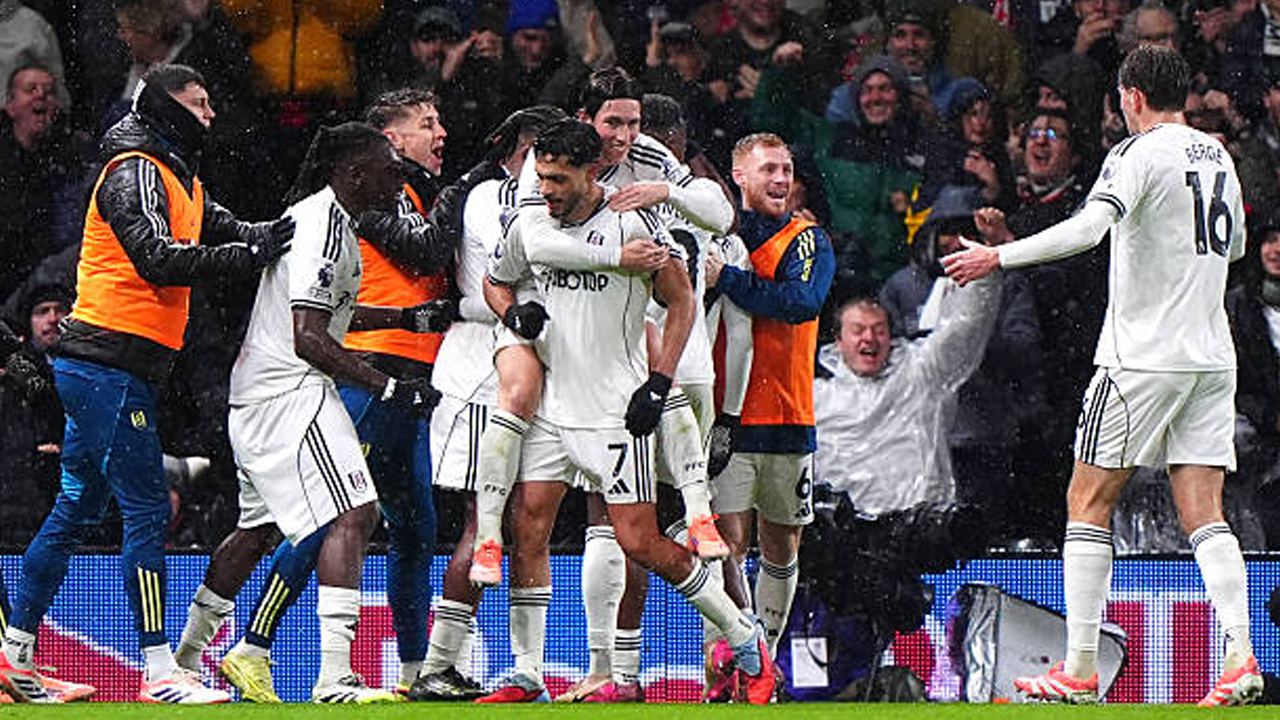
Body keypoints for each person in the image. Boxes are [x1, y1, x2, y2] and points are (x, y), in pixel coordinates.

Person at [943, 46, 1261, 706]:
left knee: (1087, 501)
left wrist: (1000, 256)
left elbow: (1090, 229)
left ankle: (1081, 668)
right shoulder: (1218, 156)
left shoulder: (1135, 153)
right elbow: (1232, 248)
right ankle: (1240, 656)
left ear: (1131, 96)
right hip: (1210, 355)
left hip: (1141, 357)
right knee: (1205, 513)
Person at [0, 63, 293, 705]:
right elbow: (156, 258)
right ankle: (160, 671)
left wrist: (262, 235)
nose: (211, 114)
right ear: (167, 108)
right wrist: (249, 256)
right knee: (147, 509)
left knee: (75, 508)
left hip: (110, 366)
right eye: (200, 102)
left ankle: (14, 657)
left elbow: (214, 221)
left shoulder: (174, 171)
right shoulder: (134, 170)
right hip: (107, 365)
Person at [173, 92, 461, 701]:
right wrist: (389, 386)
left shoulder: (333, 222)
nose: (399, 180)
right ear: (355, 174)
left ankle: (186, 659)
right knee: (356, 512)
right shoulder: (325, 227)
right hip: (290, 391)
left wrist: (406, 320)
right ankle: (334, 676)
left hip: (261, 391)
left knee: (258, 529)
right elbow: (309, 339)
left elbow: (332, 315)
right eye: (389, 170)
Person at [479, 119, 775, 705]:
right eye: (542, 177)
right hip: (553, 404)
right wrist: (512, 314)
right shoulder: (533, 218)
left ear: (591, 172)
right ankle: (526, 672)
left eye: (559, 179)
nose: (547, 189)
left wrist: (659, 382)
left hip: (615, 409)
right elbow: (495, 280)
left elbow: (682, 300)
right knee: (527, 525)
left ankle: (744, 637)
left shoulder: (633, 222)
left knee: (639, 541)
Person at [468, 67, 733, 590]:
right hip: (545, 306)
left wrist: (666, 192)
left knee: (664, 378)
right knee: (519, 395)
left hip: (619, 313)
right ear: (585, 120)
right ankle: (488, 536)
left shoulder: (651, 156)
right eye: (613, 123)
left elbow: (720, 216)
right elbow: (538, 246)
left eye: (634, 123)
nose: (626, 136)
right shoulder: (552, 163)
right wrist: (615, 256)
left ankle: (699, 514)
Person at [410, 104, 566, 702]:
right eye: (536, 156)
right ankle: (437, 665)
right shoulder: (487, 198)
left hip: (544, 363)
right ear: (514, 153)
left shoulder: (557, 204)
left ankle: (528, 669)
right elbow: (514, 273)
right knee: (484, 523)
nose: (544, 171)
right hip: (482, 365)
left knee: (533, 524)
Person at [702, 133, 835, 680]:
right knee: (725, 546)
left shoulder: (807, 239)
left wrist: (730, 280)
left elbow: (802, 303)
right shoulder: (716, 238)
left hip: (788, 415)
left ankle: (764, 664)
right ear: (739, 177)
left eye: (786, 169)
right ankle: (722, 667)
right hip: (726, 419)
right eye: (769, 170)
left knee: (782, 545)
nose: (781, 180)